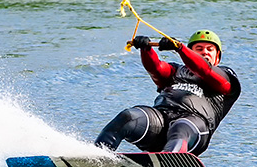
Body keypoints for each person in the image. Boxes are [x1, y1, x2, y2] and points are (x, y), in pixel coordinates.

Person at [94, 30, 241, 155]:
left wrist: (180, 48)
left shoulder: (226, 76)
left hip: (194, 127)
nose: (205, 52)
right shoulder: (176, 71)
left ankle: (169, 162)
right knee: (128, 116)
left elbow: (204, 69)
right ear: (191, 52)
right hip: (160, 120)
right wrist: (146, 49)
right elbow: (156, 68)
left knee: (180, 128)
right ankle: (97, 157)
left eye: (210, 49)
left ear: (218, 57)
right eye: (199, 48)